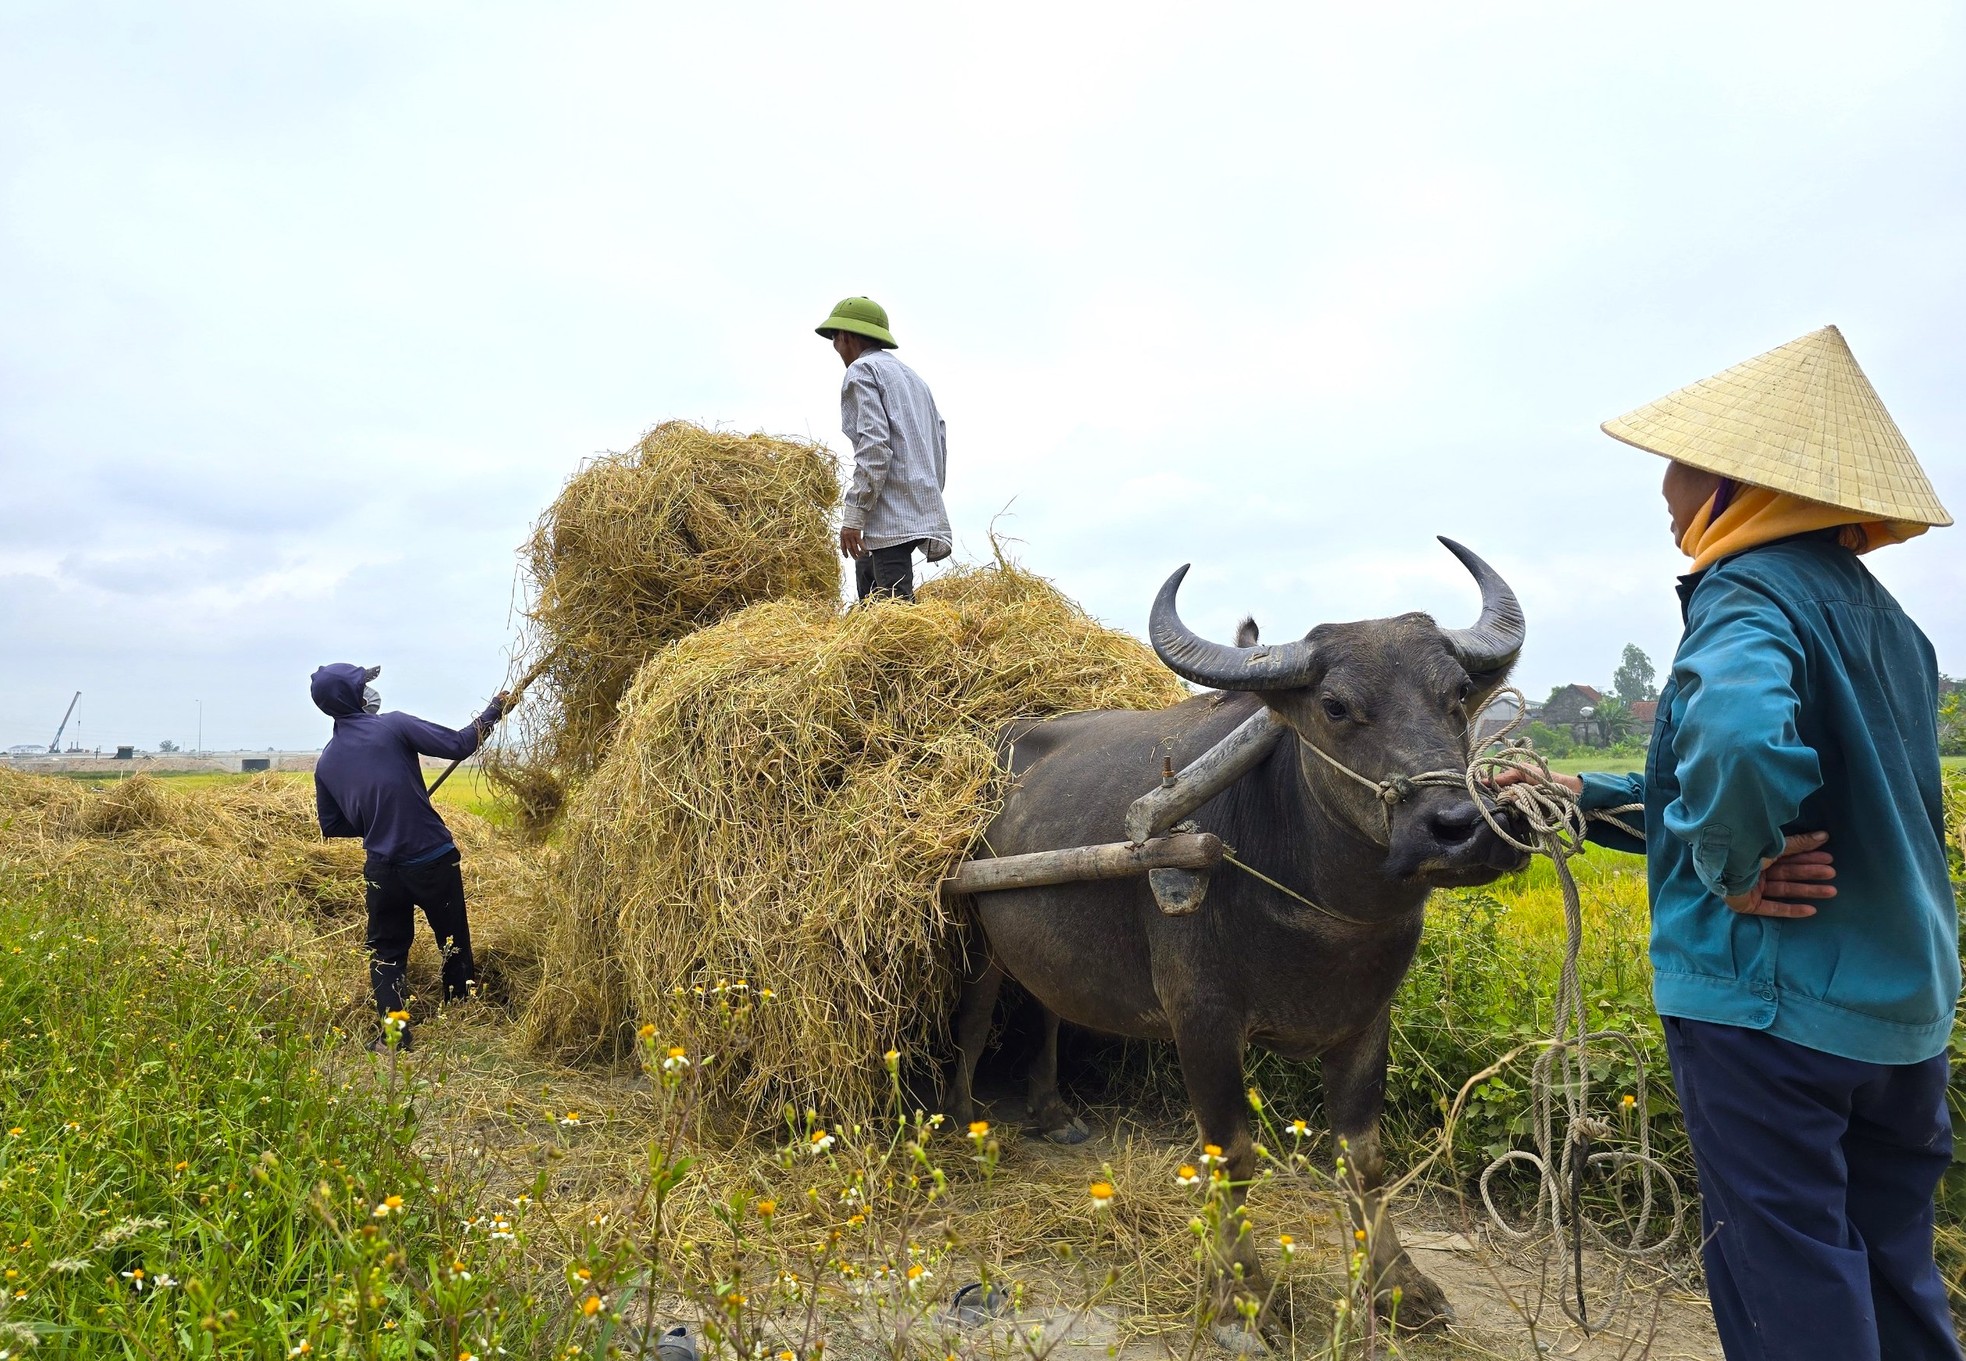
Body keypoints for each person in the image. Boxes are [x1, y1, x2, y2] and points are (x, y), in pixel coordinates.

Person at [1547, 326, 1958, 1359]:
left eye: (1680, 468)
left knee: (1787, 1274)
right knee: (1889, 1267)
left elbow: (1732, 740)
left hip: (1773, 1016)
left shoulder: (1744, 594)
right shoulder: (1886, 624)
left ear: (1742, 483)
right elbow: (1761, 786)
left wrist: (1730, 869)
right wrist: (1578, 794)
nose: (1666, 494)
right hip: (1900, 1014)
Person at [310, 663, 510, 1052]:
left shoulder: (327, 761)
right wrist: (494, 710)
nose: (370, 691)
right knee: (452, 937)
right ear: (353, 695)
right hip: (431, 857)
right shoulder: (393, 725)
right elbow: (458, 745)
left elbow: (332, 825)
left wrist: (377, 817)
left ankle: (394, 1037)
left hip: (382, 868)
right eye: (364, 684)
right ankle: (461, 1012)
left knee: (387, 950)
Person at [815, 296, 953, 601]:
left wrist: (853, 516)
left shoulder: (862, 371)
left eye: (835, 339)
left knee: (894, 615)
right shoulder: (913, 379)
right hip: (912, 504)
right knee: (869, 596)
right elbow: (938, 441)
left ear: (845, 337)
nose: (836, 347)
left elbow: (874, 447)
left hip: (889, 512)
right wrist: (927, 492)